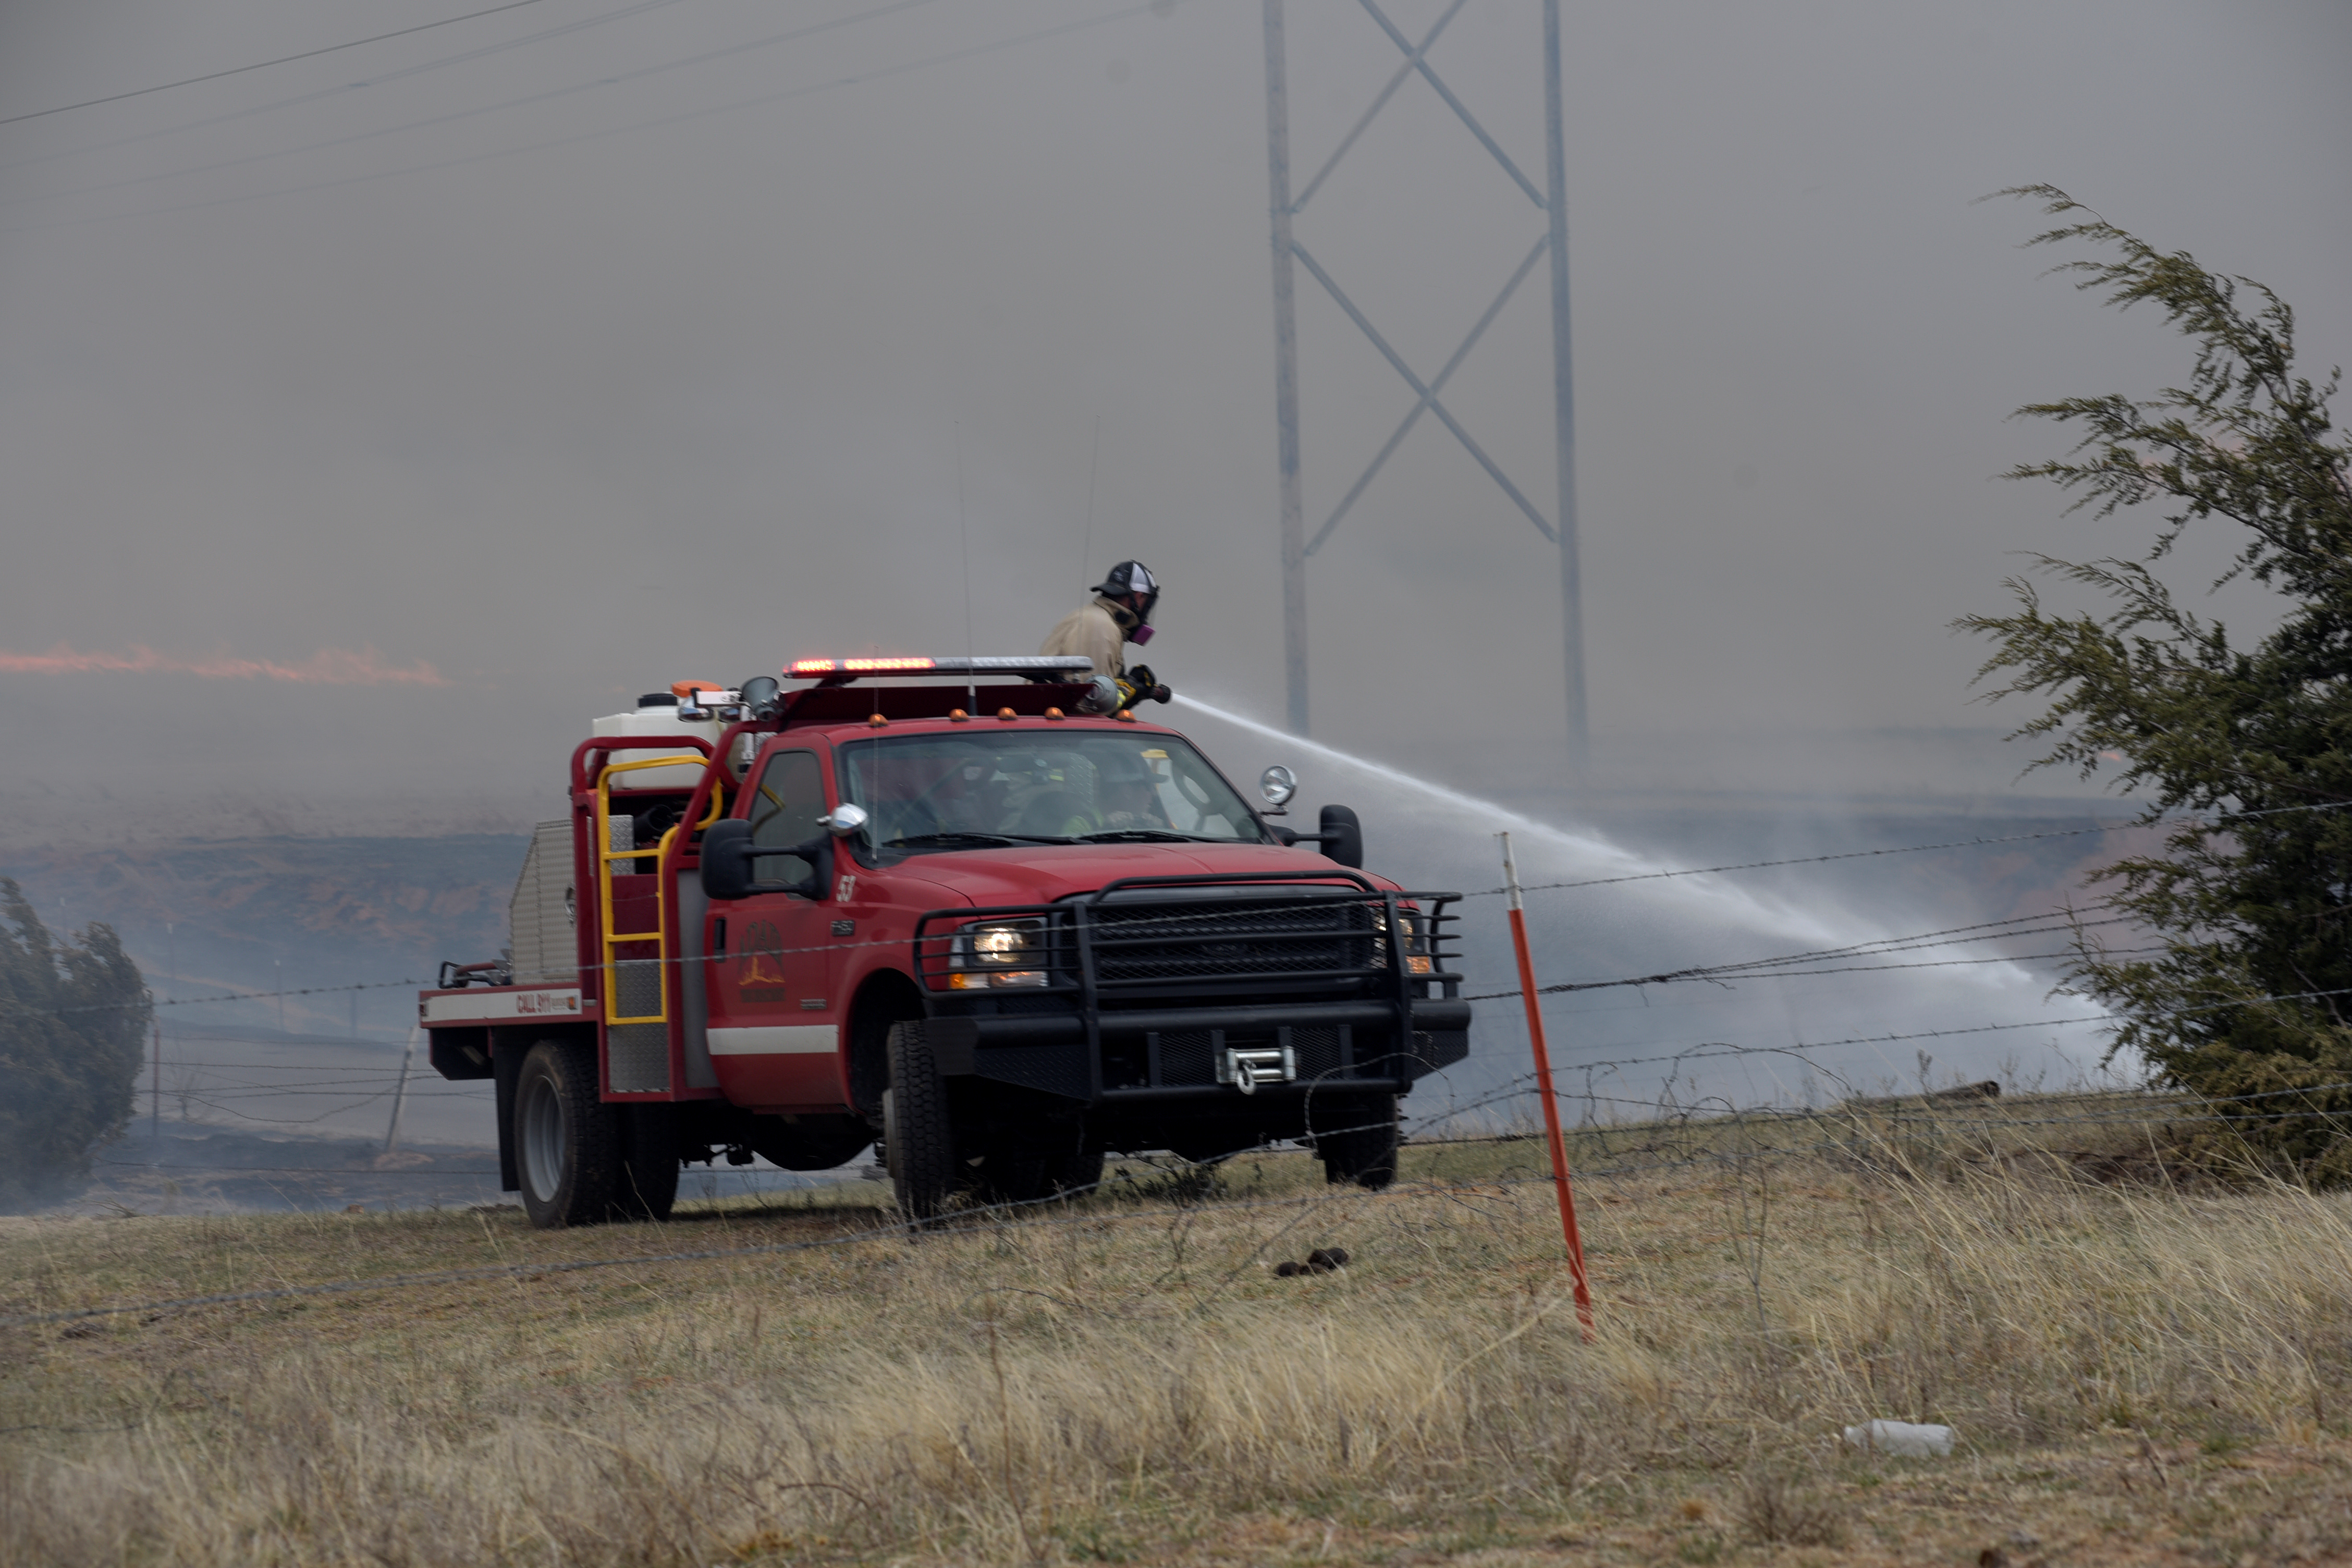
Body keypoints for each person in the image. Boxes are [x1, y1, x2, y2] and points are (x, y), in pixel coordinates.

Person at [1042, 560, 1159, 680]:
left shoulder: (1093, 617)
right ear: (1138, 596)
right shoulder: (1101, 627)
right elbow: (1092, 695)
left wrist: (1129, 687)